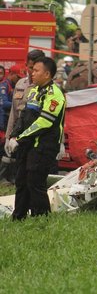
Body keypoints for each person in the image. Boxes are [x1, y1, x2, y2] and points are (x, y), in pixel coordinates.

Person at [9, 57, 66, 220]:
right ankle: (18, 217)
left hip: (44, 146)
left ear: (47, 74)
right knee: (21, 181)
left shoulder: (55, 94)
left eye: (36, 70)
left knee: (35, 182)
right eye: (32, 70)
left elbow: (44, 122)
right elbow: (24, 116)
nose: (32, 73)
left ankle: (41, 218)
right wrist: (14, 135)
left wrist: (20, 139)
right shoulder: (34, 90)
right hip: (28, 144)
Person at [3, 50, 45, 184]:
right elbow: (14, 113)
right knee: (20, 176)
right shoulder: (20, 84)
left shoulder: (48, 87)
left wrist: (59, 142)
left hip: (38, 136)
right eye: (29, 67)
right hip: (19, 135)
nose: (31, 71)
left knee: (35, 177)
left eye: (35, 68)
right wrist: (8, 137)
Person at [0, 65, 26, 183]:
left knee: (10, 152)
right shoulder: (4, 86)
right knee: (4, 151)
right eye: (18, 76)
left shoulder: (14, 86)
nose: (19, 79)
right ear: (12, 74)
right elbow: (4, 103)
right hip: (4, 122)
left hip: (9, 122)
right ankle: (3, 176)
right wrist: (19, 106)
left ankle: (9, 176)